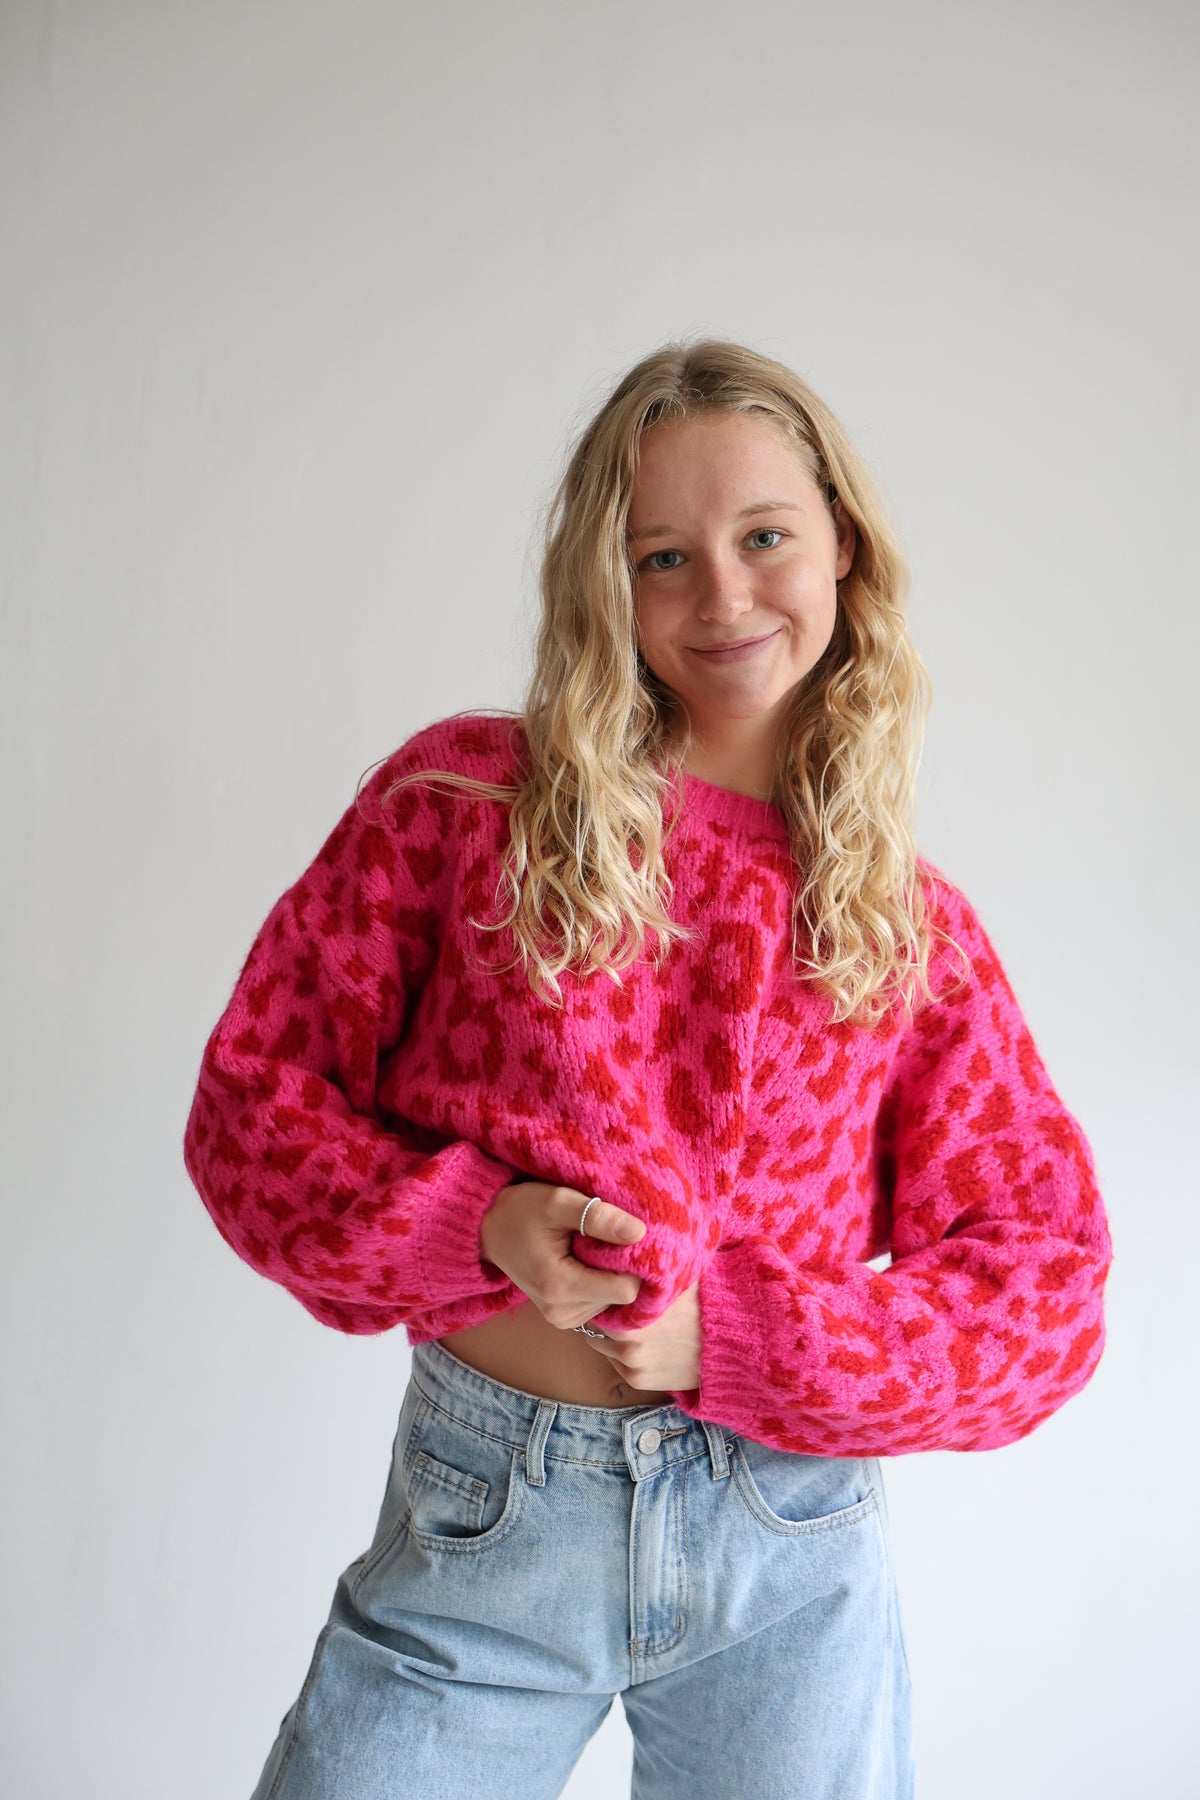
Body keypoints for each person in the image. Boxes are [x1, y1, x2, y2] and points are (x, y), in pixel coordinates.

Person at [182, 337, 1112, 1800]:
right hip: (488, 1520)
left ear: (843, 544)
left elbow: (1046, 1291)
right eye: (662, 556)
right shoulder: (463, 808)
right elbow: (252, 1109)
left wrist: (736, 1339)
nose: (722, 596)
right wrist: (473, 1227)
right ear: (602, 584)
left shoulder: (905, 931)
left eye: (764, 538)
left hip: (785, 1554)